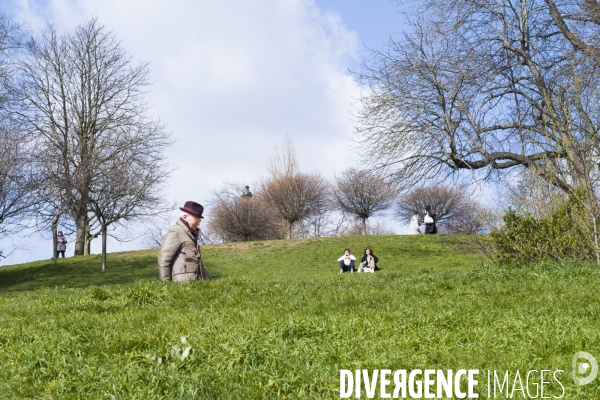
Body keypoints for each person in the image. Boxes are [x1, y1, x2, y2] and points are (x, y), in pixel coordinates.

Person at [158, 201, 211, 282]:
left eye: (200, 220)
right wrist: (165, 284)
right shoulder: (176, 231)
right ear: (185, 216)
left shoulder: (191, 235)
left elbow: (198, 262)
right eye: (197, 219)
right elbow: (164, 259)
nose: (198, 223)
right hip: (181, 286)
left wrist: (207, 277)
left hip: (194, 284)